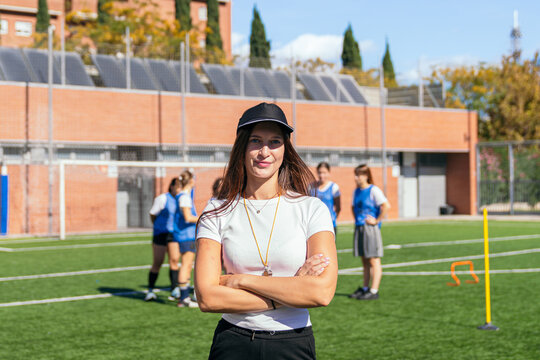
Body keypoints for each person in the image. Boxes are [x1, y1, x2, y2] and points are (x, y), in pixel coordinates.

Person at [195, 102, 337, 360]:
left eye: (274, 142)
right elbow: (207, 297)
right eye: (256, 141)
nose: (264, 151)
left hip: (293, 342)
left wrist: (240, 280)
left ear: (285, 149)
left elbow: (322, 292)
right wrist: (292, 288)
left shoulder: (312, 209)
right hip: (233, 341)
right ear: (241, 147)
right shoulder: (216, 210)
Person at [349, 164, 391, 301]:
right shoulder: (356, 191)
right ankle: (365, 288)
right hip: (360, 227)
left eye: (359, 175)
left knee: (373, 260)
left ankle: (374, 290)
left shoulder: (374, 190)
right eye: (355, 174)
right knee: (364, 260)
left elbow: (386, 206)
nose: (356, 177)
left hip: (370, 229)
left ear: (366, 175)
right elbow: (353, 207)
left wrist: (377, 220)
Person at [145, 177, 182, 302]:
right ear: (171, 186)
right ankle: (150, 290)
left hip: (173, 234)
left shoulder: (182, 199)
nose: (178, 189)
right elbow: (152, 214)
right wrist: (158, 226)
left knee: (174, 260)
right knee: (158, 262)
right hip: (160, 234)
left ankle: (174, 289)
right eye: (177, 186)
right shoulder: (162, 198)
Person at [174, 169, 200, 308]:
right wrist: (204, 218)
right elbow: (188, 217)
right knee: (186, 264)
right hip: (186, 235)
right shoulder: (184, 196)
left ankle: (185, 296)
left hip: (187, 235)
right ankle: (184, 298)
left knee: (188, 265)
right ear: (190, 181)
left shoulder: (184, 195)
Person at [312, 162, 341, 234]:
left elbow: (338, 207)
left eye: (324, 173)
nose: (322, 175)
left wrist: (332, 218)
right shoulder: (311, 187)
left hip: (329, 225)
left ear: (329, 173)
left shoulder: (334, 187)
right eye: (320, 172)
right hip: (315, 225)